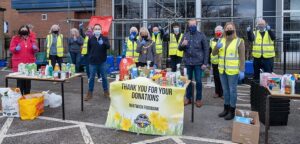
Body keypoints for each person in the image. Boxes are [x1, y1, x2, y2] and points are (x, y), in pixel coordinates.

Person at [212, 22, 245, 120]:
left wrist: (242, 70)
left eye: (231, 28)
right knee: (225, 91)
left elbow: (242, 57)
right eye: (227, 28)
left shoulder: (239, 41)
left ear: (234, 29)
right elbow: (214, 53)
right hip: (222, 70)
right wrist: (216, 47)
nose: (229, 29)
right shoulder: (222, 40)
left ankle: (232, 110)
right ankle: (225, 109)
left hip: (233, 71)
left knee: (232, 91)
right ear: (225, 30)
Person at [179, 19, 209, 108]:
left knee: (199, 81)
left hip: (198, 63)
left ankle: (198, 99)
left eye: (194, 25)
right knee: (188, 81)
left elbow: (206, 49)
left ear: (196, 25)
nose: (192, 27)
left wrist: (205, 63)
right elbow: (179, 48)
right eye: (190, 25)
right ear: (188, 26)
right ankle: (188, 98)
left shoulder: (201, 35)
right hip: (188, 62)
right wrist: (183, 45)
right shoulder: (185, 35)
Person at [9, 25, 39, 95]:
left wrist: (35, 48)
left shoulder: (32, 39)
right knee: (20, 82)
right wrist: (15, 48)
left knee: (27, 83)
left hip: (29, 64)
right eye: (22, 29)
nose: (24, 31)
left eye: (25, 30)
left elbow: (36, 50)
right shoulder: (15, 38)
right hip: (19, 64)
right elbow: (11, 48)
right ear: (20, 31)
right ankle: (19, 97)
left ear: (28, 31)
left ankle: (26, 97)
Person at [85, 24, 110, 101]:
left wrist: (103, 43)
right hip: (92, 62)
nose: (97, 30)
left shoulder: (104, 38)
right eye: (96, 29)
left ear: (101, 30)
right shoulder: (91, 39)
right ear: (93, 30)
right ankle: (90, 93)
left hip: (102, 62)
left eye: (98, 29)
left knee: (104, 78)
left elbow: (108, 47)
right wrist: (90, 57)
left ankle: (106, 92)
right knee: (91, 78)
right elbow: (89, 50)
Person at [210, 26, 224, 98]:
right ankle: (217, 92)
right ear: (215, 32)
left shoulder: (224, 40)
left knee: (222, 77)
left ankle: (222, 93)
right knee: (216, 77)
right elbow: (210, 50)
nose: (218, 32)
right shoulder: (212, 40)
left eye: (219, 31)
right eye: (217, 31)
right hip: (215, 62)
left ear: (222, 31)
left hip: (222, 62)